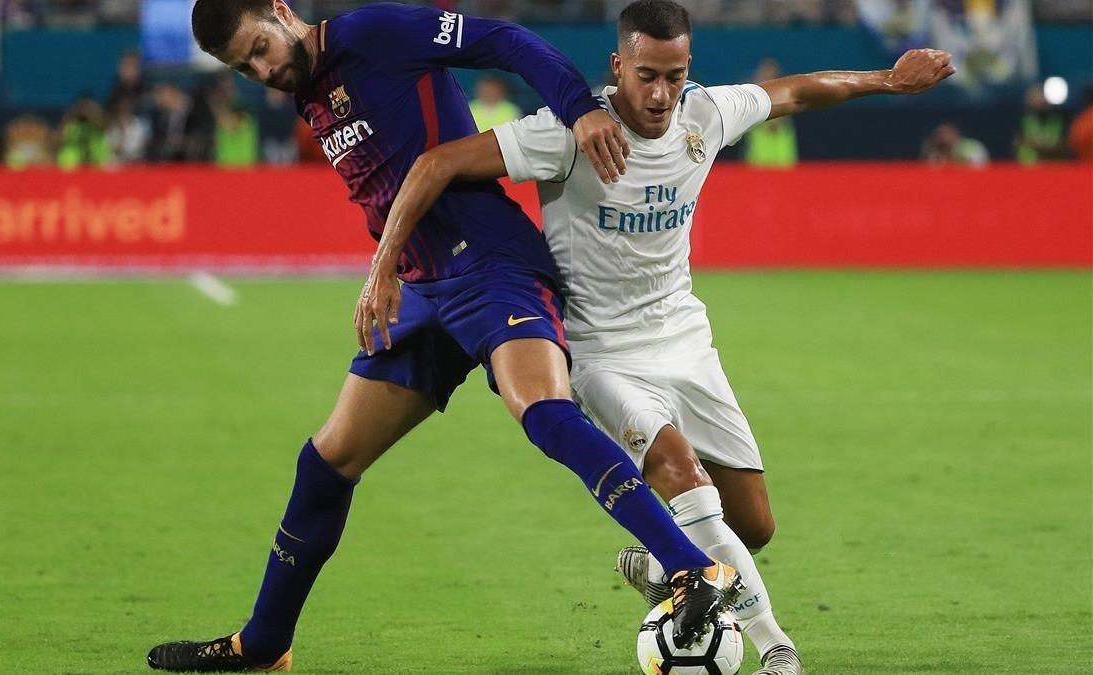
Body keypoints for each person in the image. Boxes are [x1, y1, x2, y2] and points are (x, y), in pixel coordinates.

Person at [148, 1, 740, 671]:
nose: (262, 69)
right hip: (424, 289)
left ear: (281, 11)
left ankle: (694, 568)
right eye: (243, 66)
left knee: (543, 412)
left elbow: (507, 41)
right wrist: (394, 266)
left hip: (492, 265)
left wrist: (579, 108)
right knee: (326, 463)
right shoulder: (309, 93)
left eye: (260, 47)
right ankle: (263, 644)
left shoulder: (373, 33)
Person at [367, 2, 956, 673]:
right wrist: (384, 266)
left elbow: (795, 91)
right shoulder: (568, 131)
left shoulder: (704, 113)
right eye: (646, 75)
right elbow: (436, 163)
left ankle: (659, 562)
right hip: (601, 354)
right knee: (679, 470)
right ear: (618, 65)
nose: (660, 94)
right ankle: (777, 647)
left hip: (684, 340)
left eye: (674, 77)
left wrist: (888, 78)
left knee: (753, 524)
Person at [1015, 84, 1066, 165]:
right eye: (1035, 98)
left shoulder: (1057, 120)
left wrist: (1043, 145)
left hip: (1053, 166)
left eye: (1042, 97)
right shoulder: (1024, 120)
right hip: (1028, 166)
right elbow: (1017, 142)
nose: (1039, 101)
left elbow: (1064, 144)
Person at [921, 122, 988, 167]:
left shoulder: (970, 146)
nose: (943, 139)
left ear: (955, 134)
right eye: (940, 136)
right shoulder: (935, 149)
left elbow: (979, 165)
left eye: (946, 134)